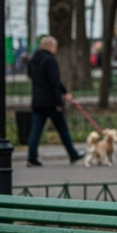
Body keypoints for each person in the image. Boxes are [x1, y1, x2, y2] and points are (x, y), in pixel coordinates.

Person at [26, 36, 83, 166]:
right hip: (51, 102)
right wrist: (60, 101)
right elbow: (54, 82)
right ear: (51, 46)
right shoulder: (50, 60)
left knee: (35, 130)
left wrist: (64, 91)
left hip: (37, 101)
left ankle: (31, 156)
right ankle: (73, 154)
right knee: (63, 129)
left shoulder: (34, 60)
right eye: (55, 47)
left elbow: (31, 76)